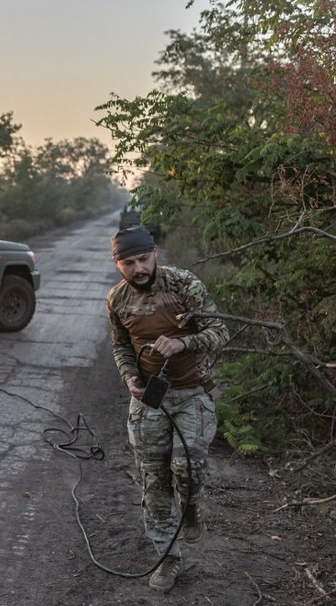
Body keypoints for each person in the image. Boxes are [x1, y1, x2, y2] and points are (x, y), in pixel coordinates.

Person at [105, 226, 228, 593]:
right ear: (118, 264)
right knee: (154, 479)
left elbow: (220, 330)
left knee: (187, 466)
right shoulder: (117, 299)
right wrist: (129, 376)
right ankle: (167, 559)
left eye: (143, 259)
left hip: (191, 392)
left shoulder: (184, 285)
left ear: (154, 252)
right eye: (129, 262)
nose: (138, 268)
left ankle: (191, 508)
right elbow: (121, 346)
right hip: (149, 398)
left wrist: (185, 343)